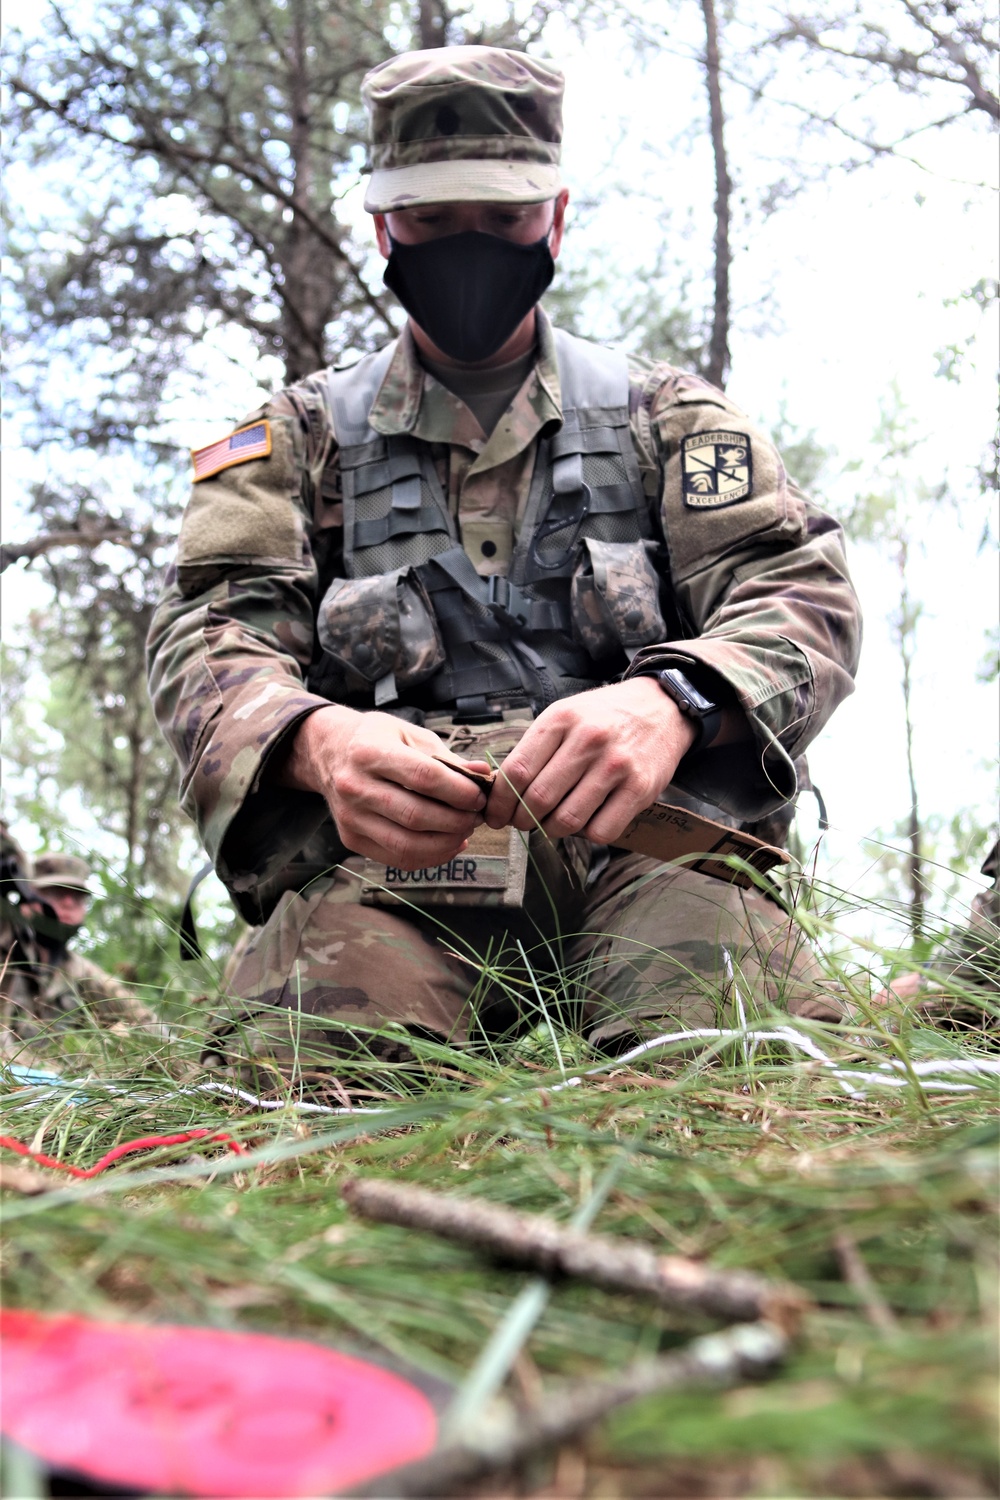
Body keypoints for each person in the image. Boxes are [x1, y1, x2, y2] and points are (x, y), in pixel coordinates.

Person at [148, 47, 861, 1088]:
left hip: (653, 848)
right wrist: (317, 743)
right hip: (395, 871)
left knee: (753, 1085)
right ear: (382, 225)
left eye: (502, 218)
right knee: (303, 1098)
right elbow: (211, 636)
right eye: (433, 224)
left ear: (555, 221)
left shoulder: (669, 418)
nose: (467, 247)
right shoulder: (294, 441)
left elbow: (796, 591)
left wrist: (676, 701)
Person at [0, 845, 155, 1056]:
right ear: (28, 896)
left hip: (49, 1081)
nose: (68, 903)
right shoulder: (5, 943)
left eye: (78, 896)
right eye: (56, 892)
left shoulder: (78, 970)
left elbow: (141, 1018)